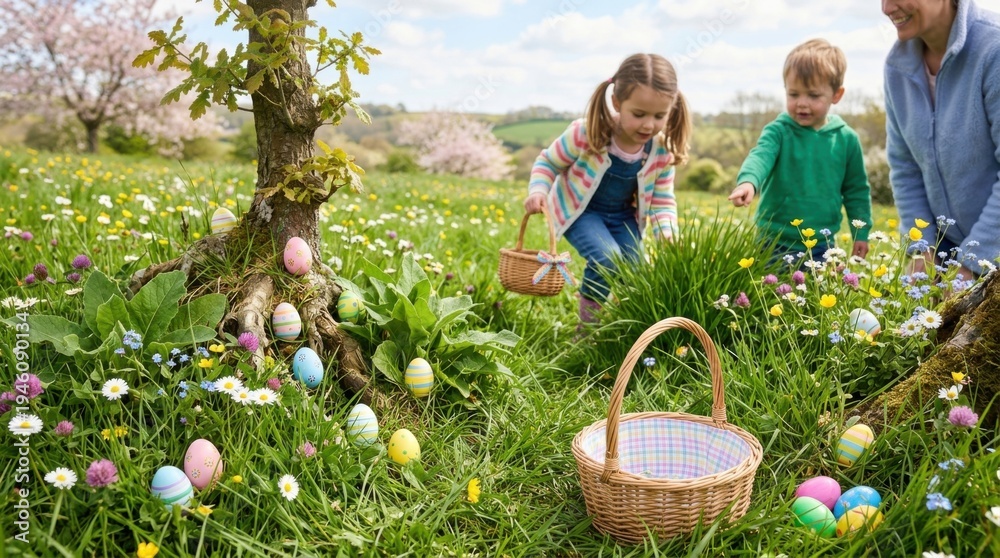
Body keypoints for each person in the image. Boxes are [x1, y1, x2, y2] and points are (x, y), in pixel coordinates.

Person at [523, 53, 691, 325]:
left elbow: (662, 201)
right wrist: (538, 190)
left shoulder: (660, 150)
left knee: (636, 270)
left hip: (623, 217)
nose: (649, 124)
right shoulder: (587, 132)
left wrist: (668, 234)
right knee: (607, 259)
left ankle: (625, 325)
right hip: (582, 213)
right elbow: (548, 162)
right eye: (639, 114)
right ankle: (588, 329)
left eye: (659, 116)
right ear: (616, 102)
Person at [728, 39, 872, 267]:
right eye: (793, 94)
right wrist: (748, 182)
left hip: (822, 244)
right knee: (769, 298)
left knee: (815, 300)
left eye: (813, 96)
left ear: (837, 94)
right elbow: (760, 156)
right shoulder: (778, 131)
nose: (802, 104)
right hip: (773, 241)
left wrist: (861, 232)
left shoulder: (846, 140)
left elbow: (856, 191)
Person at [883, 0, 1000, 280]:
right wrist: (921, 248)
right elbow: (905, 166)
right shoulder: (896, 68)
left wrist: (973, 263)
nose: (887, 8)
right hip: (945, 249)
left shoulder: (993, 49)